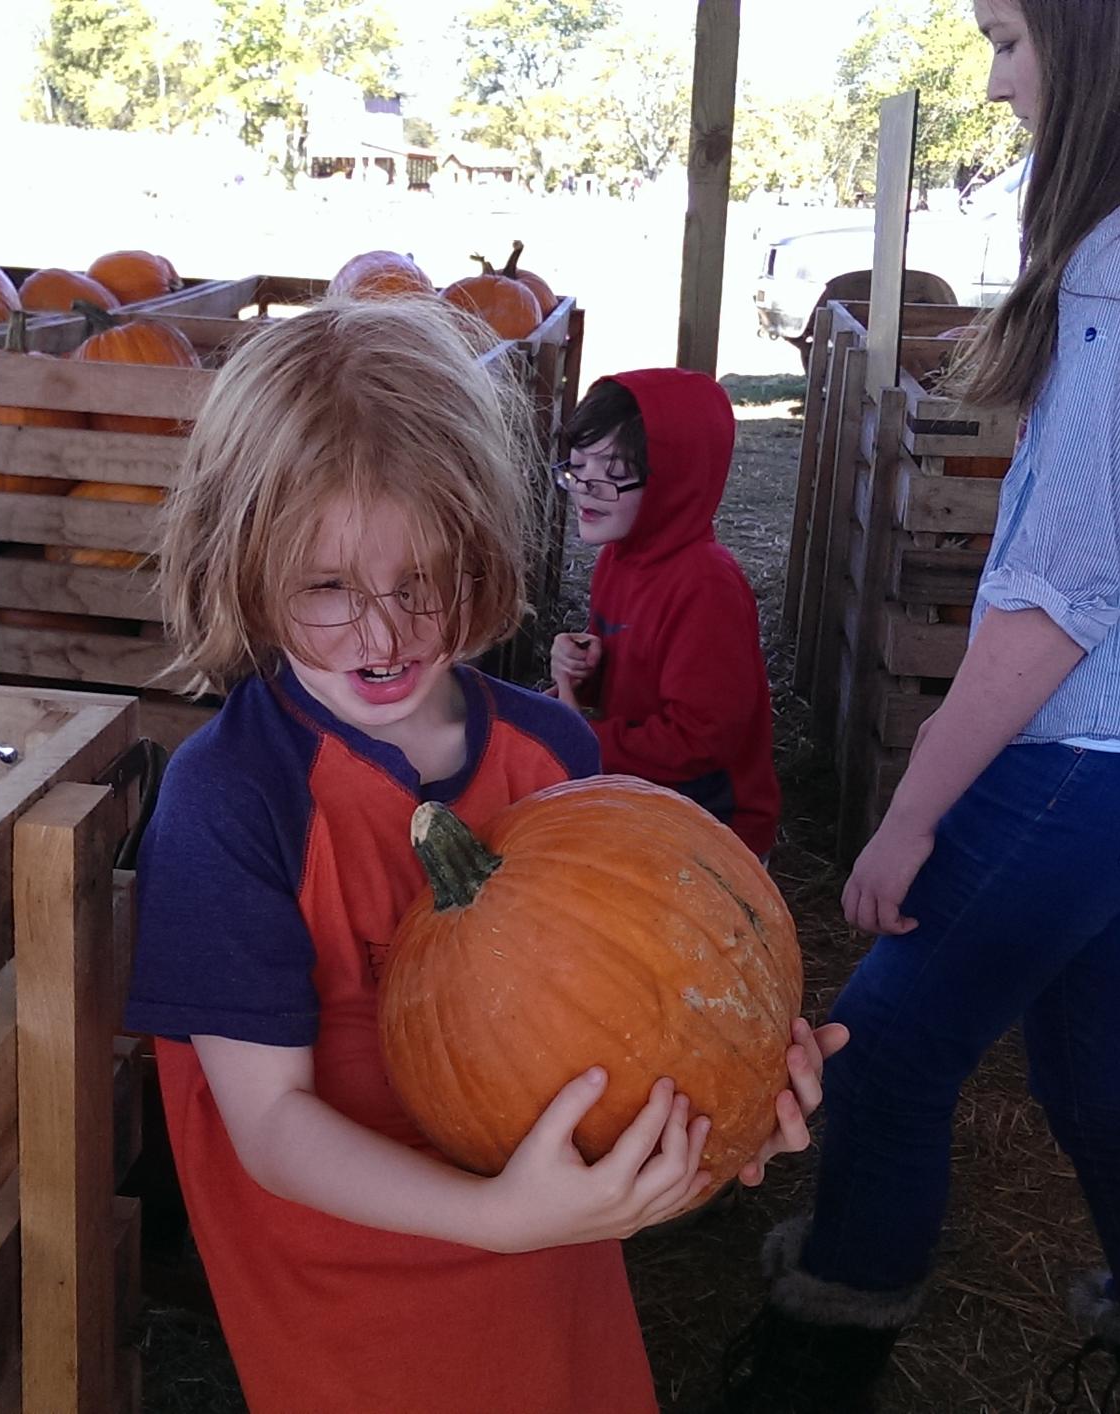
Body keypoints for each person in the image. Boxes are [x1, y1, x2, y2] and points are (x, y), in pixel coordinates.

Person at [716, 2, 1120, 1411]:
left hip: (1102, 747)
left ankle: (819, 1359)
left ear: (1101, 35)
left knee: (890, 1048)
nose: (999, 78)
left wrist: (910, 812)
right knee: (1100, 1078)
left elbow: (1062, 587)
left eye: (1014, 38)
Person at [123, 296, 846, 1414]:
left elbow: (636, 989)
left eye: (424, 582)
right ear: (241, 563)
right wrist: (493, 1214)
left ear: (482, 546)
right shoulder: (234, 800)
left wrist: (735, 1081)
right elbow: (268, 1123)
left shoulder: (550, 751)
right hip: (350, 1301)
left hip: (548, 1266)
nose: (383, 633)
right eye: (326, 588)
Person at [548, 370, 782, 861]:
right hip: (647, 795)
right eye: (578, 464)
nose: (588, 487)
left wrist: (581, 739)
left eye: (613, 472)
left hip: (710, 828)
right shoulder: (620, 558)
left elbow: (701, 738)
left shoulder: (706, 588)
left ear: (672, 481)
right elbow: (632, 673)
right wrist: (586, 671)